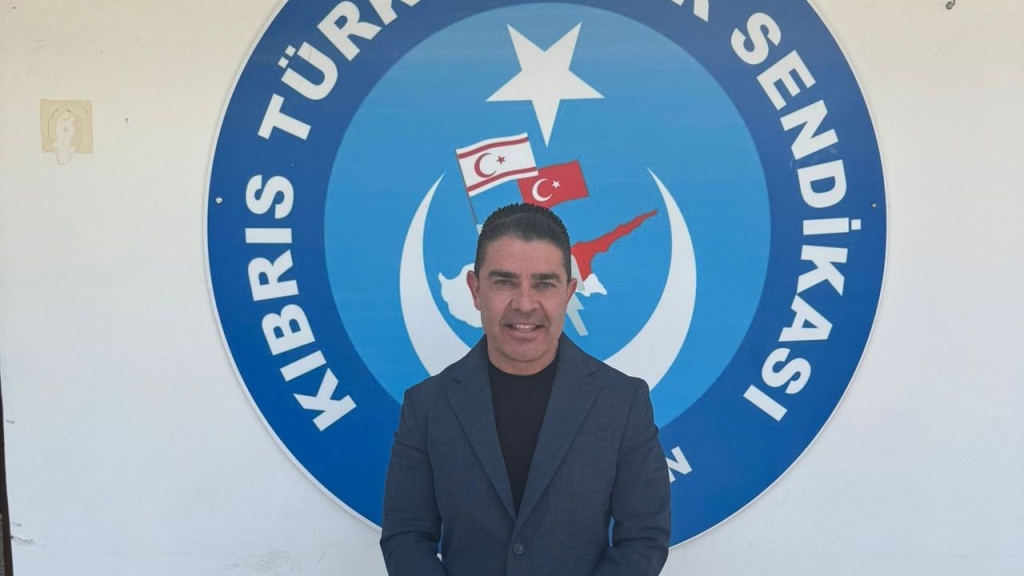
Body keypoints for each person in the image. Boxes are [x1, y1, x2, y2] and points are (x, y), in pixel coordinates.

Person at [380, 203, 670, 576]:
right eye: (505, 282)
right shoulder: (426, 406)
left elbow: (644, 539)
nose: (525, 304)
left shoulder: (623, 402)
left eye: (544, 284)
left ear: (568, 292)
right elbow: (406, 538)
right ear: (475, 290)